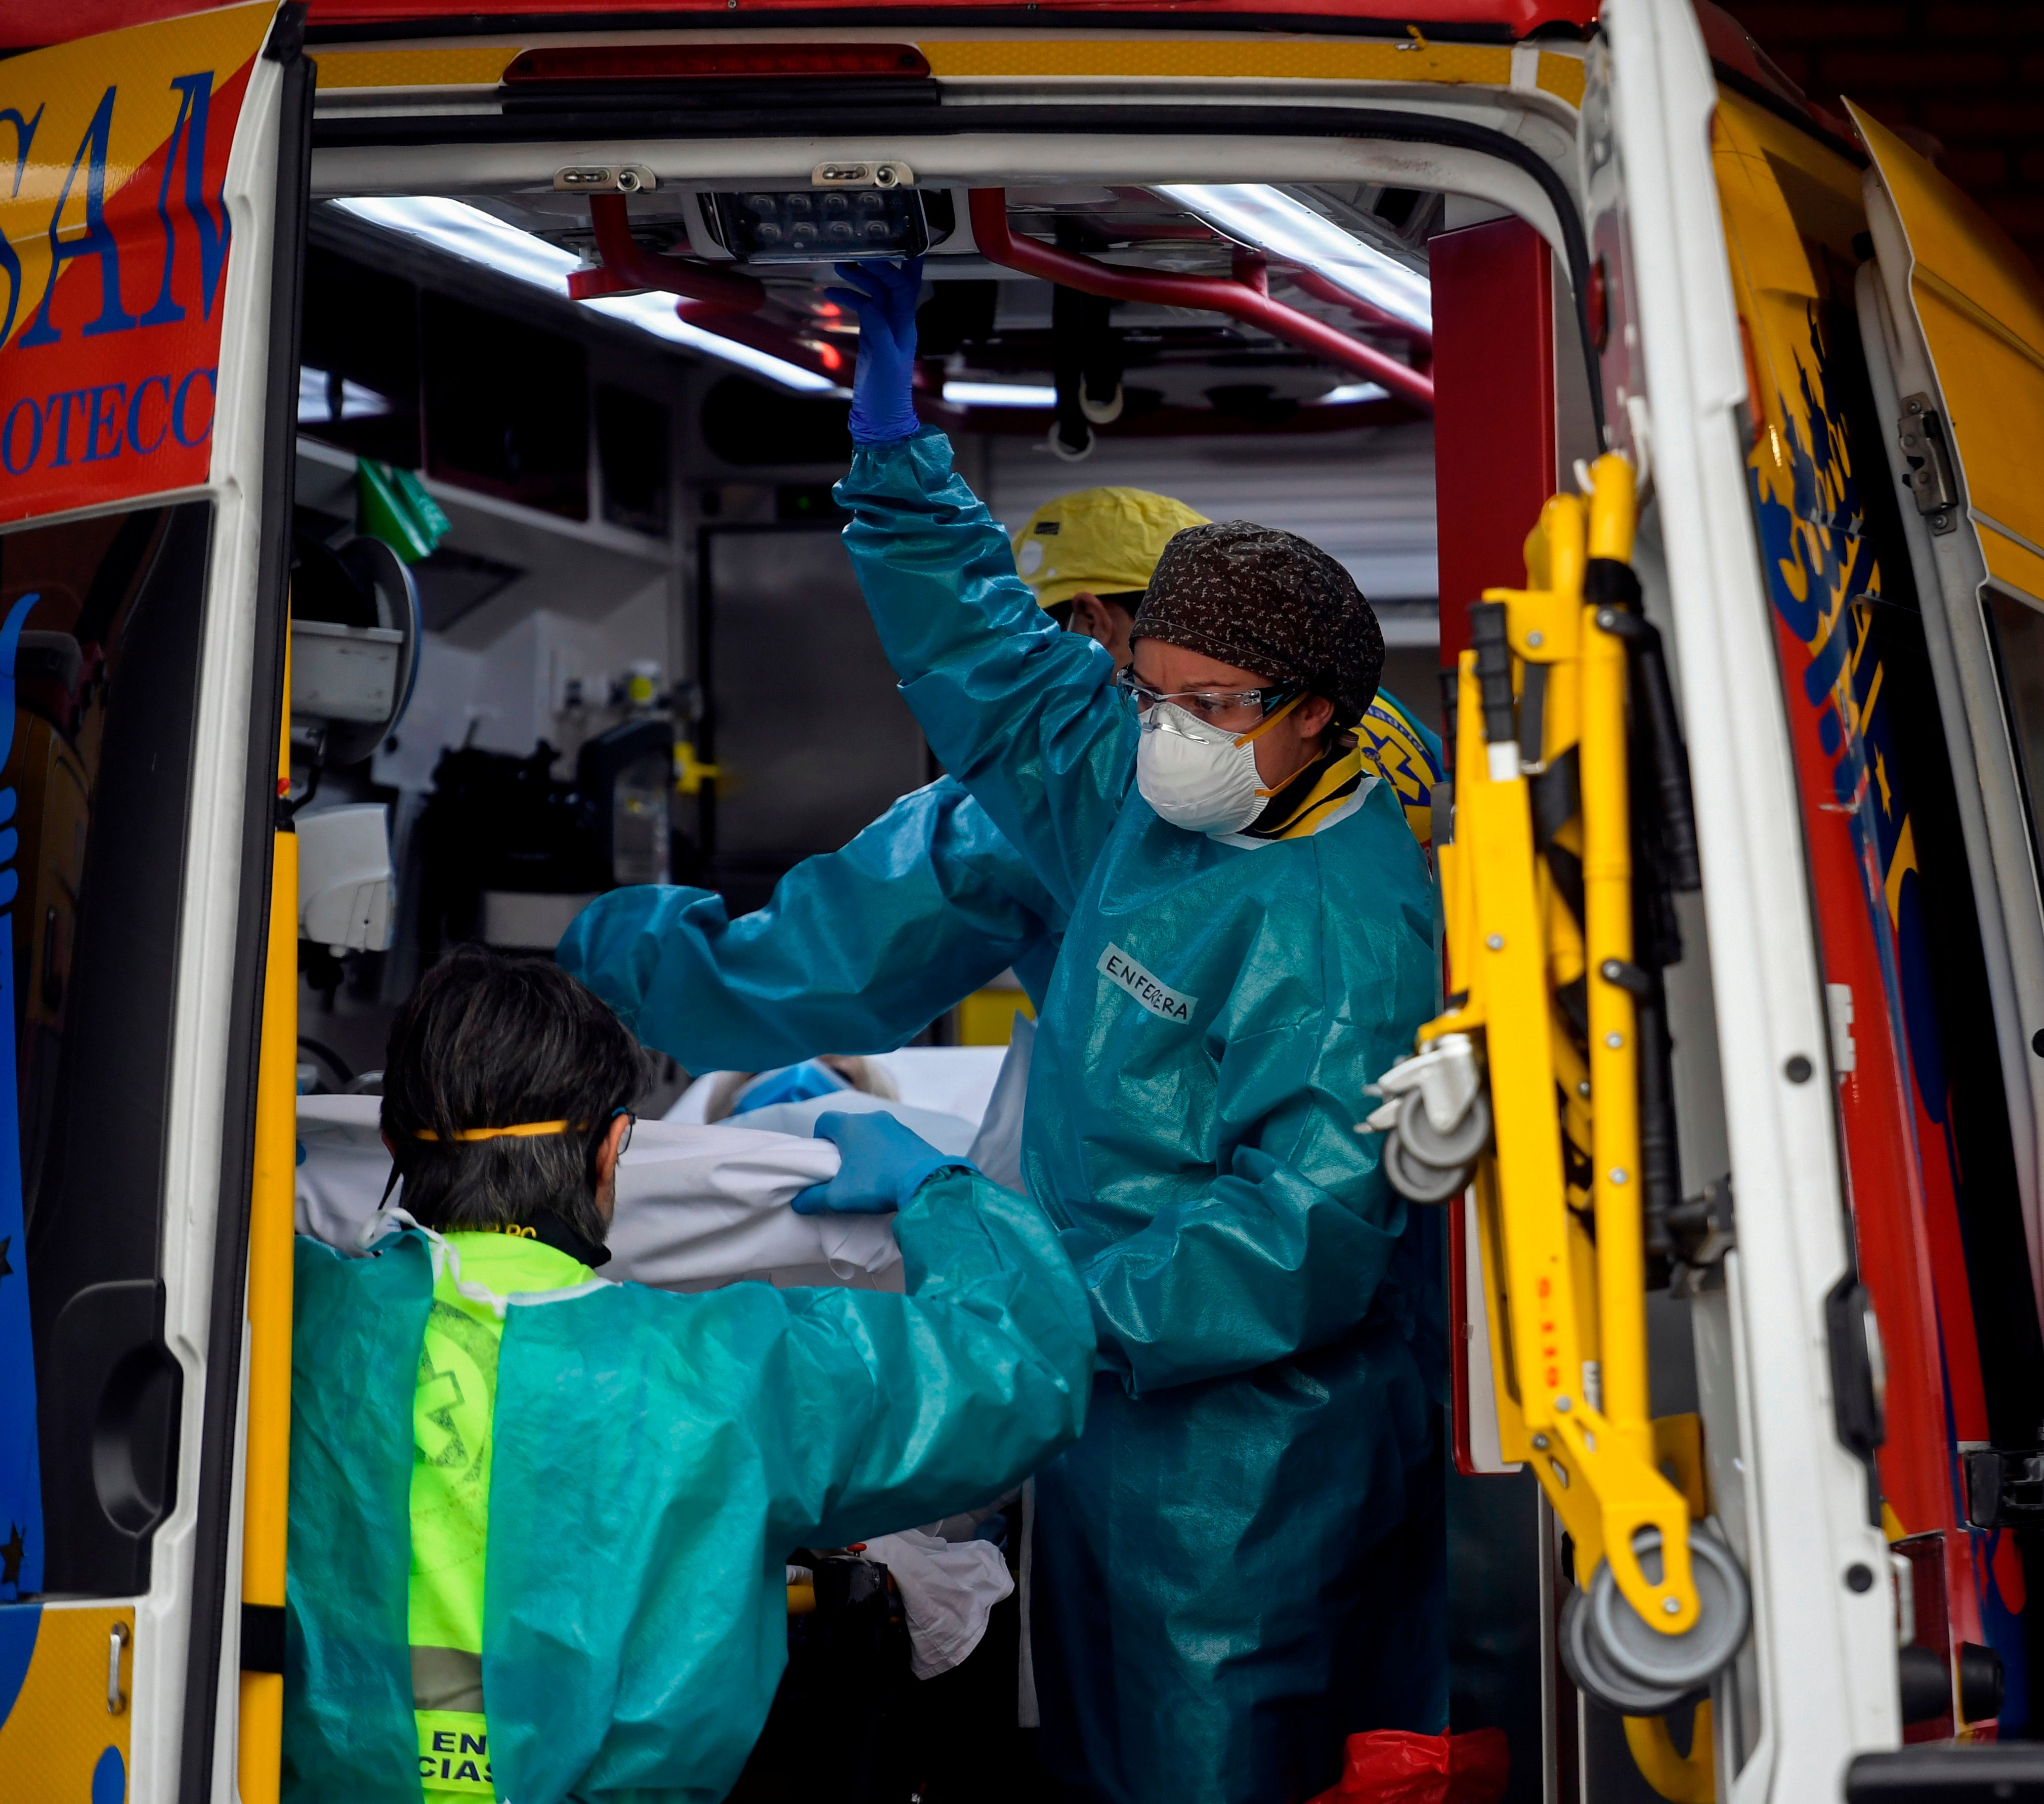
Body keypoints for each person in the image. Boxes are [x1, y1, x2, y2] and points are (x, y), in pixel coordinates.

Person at [806, 253, 1447, 1804]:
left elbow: (1293, 1239)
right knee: (1088, 1760)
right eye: (1148, 686)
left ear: (1320, 714)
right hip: (1097, 1413)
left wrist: (1002, 1268)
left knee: (1201, 1756)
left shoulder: (1346, 923)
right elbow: (1001, 673)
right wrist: (897, 456)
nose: (1163, 726)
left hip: (1241, 1464)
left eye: (1207, 701)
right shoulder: (1145, 781)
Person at [282, 949, 1094, 1804]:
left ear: (388, 1142)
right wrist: (940, 1191)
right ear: (613, 1148)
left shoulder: (291, 1315)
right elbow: (1023, 1366)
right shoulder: (727, 1372)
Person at [558, 489, 1445, 1076]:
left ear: (1090, 622)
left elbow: (821, 968)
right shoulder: (1373, 728)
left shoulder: (1079, 783)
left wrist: (600, 968)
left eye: (1038, 634)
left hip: (1181, 1202)